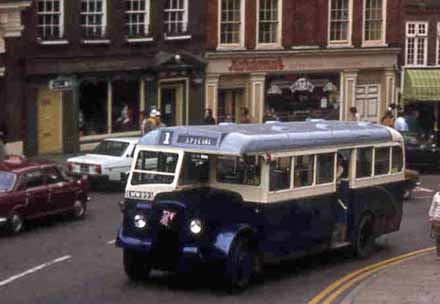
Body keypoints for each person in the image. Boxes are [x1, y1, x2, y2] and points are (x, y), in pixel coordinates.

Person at [429, 192, 440, 260]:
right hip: (437, 220)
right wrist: (431, 217)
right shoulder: (436, 195)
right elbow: (433, 206)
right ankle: (438, 255)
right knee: (438, 238)